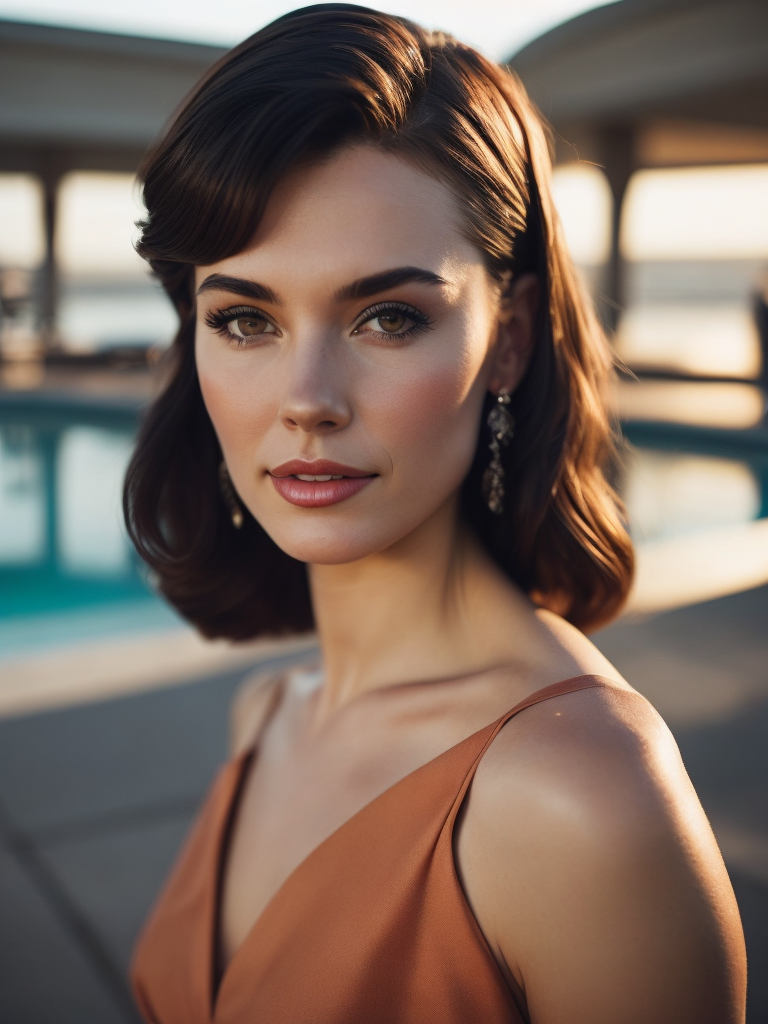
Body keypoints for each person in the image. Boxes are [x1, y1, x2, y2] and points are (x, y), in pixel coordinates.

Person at [124, 6, 747, 1022]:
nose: (308, 397)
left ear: (508, 341)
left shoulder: (585, 796)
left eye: (388, 317)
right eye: (245, 318)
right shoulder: (269, 714)